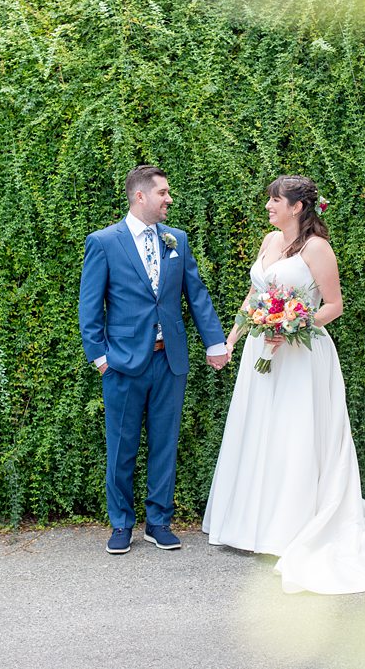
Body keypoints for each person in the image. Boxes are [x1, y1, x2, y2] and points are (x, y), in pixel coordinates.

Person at [202, 175, 365, 593]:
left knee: (295, 434)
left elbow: (334, 305)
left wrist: (294, 324)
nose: (269, 206)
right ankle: (251, 525)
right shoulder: (270, 242)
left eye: (275, 201)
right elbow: (254, 299)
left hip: (301, 354)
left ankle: (289, 528)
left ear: (297, 207)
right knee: (261, 432)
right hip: (262, 350)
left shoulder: (317, 248)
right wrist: (231, 340)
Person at [79, 165, 230, 555]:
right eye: (162, 193)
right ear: (140, 196)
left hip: (170, 361)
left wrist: (215, 342)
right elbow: (90, 306)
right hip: (123, 363)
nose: (169, 199)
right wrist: (100, 358)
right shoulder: (104, 242)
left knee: (165, 443)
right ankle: (121, 524)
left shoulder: (176, 239)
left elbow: (196, 295)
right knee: (121, 446)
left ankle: (158, 522)